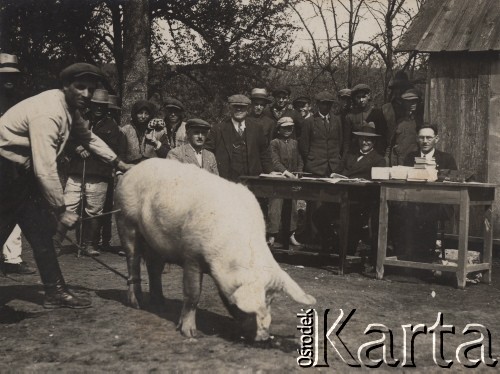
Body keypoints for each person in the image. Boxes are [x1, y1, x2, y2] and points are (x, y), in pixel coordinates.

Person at [0, 62, 132, 308]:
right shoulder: (48, 112)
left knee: (40, 236)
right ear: (65, 86)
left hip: (19, 176)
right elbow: (45, 168)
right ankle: (55, 290)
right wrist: (61, 209)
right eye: (80, 87)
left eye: (90, 90)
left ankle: (55, 291)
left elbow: (89, 138)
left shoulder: (71, 111)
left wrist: (118, 162)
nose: (86, 94)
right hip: (5, 175)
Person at [59, 89, 122, 257]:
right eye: (96, 105)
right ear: (91, 105)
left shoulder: (112, 126)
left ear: (106, 107)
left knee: (93, 210)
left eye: (102, 106)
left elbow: (113, 149)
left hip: (99, 174)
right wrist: (76, 147)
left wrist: (90, 150)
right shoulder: (80, 119)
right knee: (69, 205)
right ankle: (55, 243)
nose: (99, 108)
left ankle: (89, 244)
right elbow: (67, 138)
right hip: (77, 170)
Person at [313, 122, 386, 258]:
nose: (365, 142)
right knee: (318, 214)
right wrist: (334, 175)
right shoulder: (350, 155)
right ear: (358, 139)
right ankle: (332, 240)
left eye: (368, 139)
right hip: (340, 199)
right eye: (362, 139)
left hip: (359, 203)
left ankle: (343, 249)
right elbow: (337, 171)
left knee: (349, 247)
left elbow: (376, 184)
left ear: (374, 142)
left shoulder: (379, 160)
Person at [398, 124, 457, 262]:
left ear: (436, 139)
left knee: (425, 212)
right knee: (400, 211)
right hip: (414, 202)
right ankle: (407, 257)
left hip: (440, 204)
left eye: (429, 138)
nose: (425, 141)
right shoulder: (410, 157)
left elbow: (454, 181)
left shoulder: (446, 158)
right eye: (421, 137)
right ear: (417, 139)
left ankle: (425, 258)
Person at [0, 52, 36, 274]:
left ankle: (12, 260)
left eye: (13, 75)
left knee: (14, 210)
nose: (9, 79)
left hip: (14, 167)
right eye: (4, 76)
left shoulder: (23, 101)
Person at [205, 94, 272, 182]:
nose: (239, 109)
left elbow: (264, 153)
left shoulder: (257, 128)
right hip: (227, 181)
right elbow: (207, 152)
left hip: (252, 180)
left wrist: (269, 172)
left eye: (242, 107)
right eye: (235, 106)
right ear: (230, 108)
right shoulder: (218, 129)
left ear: (248, 109)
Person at [267, 117, 304, 247]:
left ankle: (291, 234)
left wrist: (298, 172)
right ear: (279, 129)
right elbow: (275, 162)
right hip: (279, 180)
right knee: (275, 206)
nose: (288, 130)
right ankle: (272, 235)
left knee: (293, 207)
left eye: (290, 127)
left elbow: (300, 160)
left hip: (293, 180)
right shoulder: (274, 143)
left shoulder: (295, 143)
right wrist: (287, 173)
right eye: (284, 127)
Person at [299, 90, 346, 177]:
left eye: (329, 104)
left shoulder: (337, 120)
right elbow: (304, 147)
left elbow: (340, 142)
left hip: (334, 167)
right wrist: (312, 160)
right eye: (323, 103)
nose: (326, 106)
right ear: (318, 104)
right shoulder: (309, 121)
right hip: (315, 168)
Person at [120, 99, 170, 164]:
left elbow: (167, 154)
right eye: (140, 113)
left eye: (146, 113)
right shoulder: (126, 130)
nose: (143, 116)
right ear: (135, 114)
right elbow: (120, 154)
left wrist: (156, 142)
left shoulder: (158, 131)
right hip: (131, 168)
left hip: (152, 169)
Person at [345, 83, 387, 156]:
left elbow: (382, 137)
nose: (361, 100)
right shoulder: (350, 116)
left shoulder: (377, 114)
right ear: (355, 98)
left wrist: (378, 155)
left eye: (363, 97)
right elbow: (347, 140)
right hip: (355, 153)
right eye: (358, 97)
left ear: (368, 96)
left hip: (373, 153)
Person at [388, 88, 420, 166]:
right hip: (398, 161)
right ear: (404, 103)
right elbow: (390, 143)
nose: (413, 104)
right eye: (409, 102)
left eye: (415, 101)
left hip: (415, 160)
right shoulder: (398, 121)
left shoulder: (420, 120)